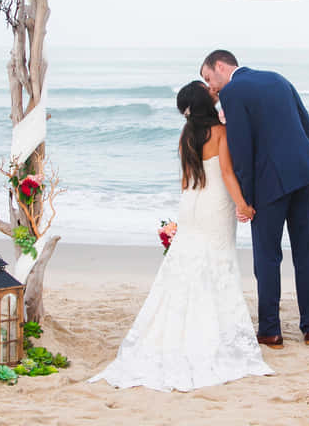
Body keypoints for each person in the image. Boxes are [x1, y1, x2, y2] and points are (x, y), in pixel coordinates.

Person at [89, 81, 272, 391]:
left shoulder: (185, 136)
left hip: (190, 204)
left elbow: (186, 178)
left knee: (187, 265)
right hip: (215, 205)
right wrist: (243, 205)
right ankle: (213, 333)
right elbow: (227, 173)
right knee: (218, 263)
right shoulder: (220, 133)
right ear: (206, 102)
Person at [200, 50, 309, 349]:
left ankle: (270, 331)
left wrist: (246, 199)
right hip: (304, 174)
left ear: (220, 66)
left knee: (267, 258)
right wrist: (307, 163)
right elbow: (307, 127)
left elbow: (241, 149)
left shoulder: (232, 91)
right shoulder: (278, 79)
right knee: (306, 252)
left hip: (270, 184)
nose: (210, 85)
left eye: (207, 77)